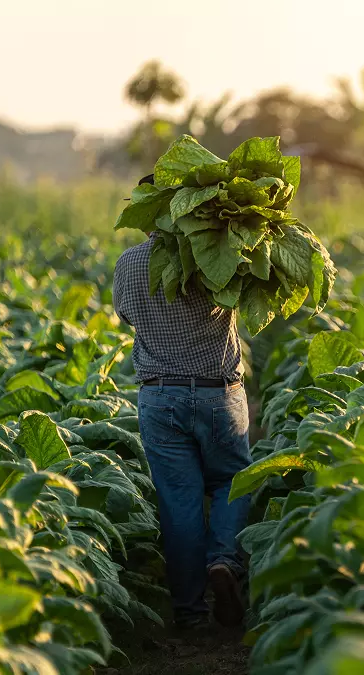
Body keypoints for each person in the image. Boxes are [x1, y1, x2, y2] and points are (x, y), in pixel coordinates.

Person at [111, 174, 251, 630]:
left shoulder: (129, 262)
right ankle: (223, 561)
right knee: (232, 481)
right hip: (218, 391)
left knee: (179, 502)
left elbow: (126, 314)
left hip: (159, 395)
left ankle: (190, 612)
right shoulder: (219, 252)